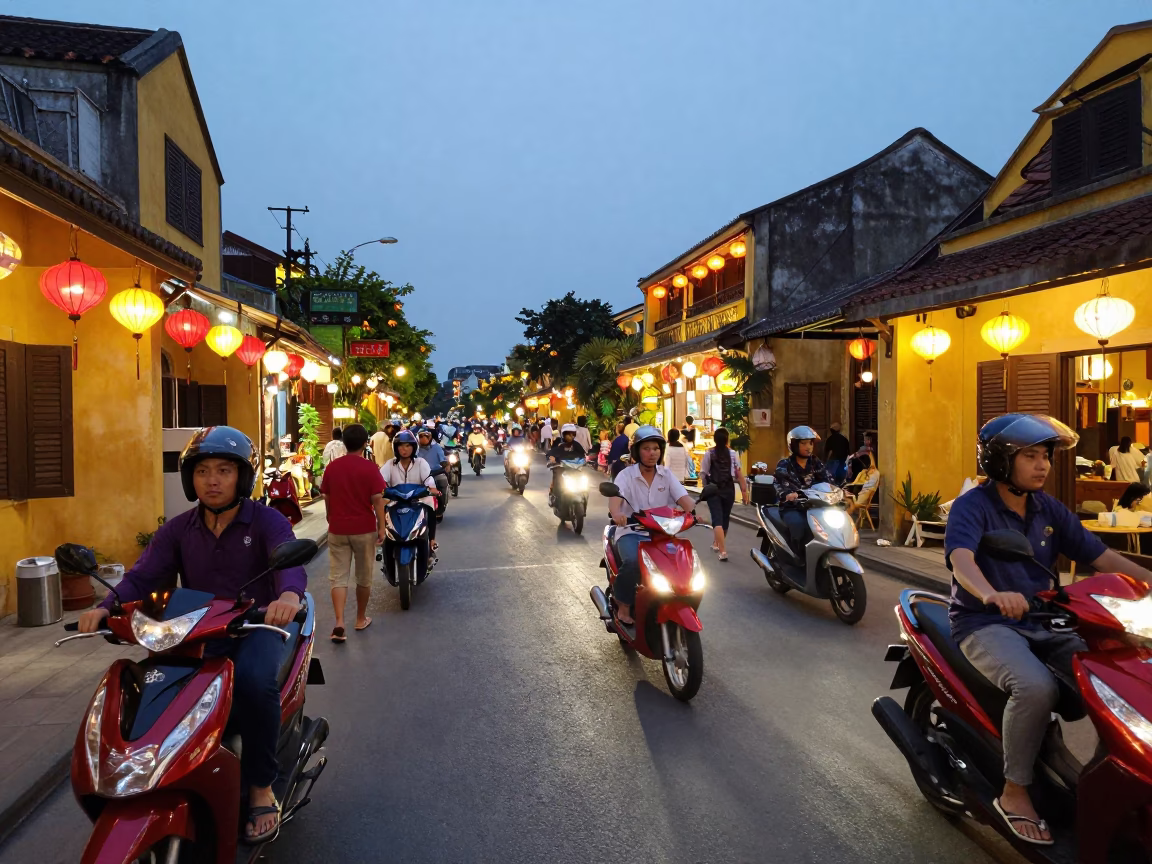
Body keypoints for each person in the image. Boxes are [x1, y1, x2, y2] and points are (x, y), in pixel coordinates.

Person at [78, 427, 306, 843]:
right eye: (202, 471)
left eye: (223, 470)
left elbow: (288, 563)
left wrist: (288, 595)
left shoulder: (267, 520)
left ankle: (259, 786)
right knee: (153, 688)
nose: (213, 480)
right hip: (193, 631)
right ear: (190, 478)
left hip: (254, 627)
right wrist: (103, 607)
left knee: (255, 684)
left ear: (242, 477)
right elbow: (145, 575)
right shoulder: (179, 529)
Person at [946, 413, 1152, 845]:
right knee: (1035, 687)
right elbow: (962, 560)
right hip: (985, 622)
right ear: (1001, 460)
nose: (1042, 465)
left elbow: (1103, 558)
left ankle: (1107, 777)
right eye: (1030, 456)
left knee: (1112, 680)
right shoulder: (973, 506)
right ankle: (1015, 791)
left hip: (1045, 620)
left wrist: (1149, 585)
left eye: (1045, 456)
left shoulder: (1048, 508)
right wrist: (990, 593)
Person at [608, 426, 696, 627]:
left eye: (656, 448)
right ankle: (623, 604)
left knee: (682, 562)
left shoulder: (666, 474)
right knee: (632, 561)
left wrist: (696, 511)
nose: (652, 453)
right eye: (646, 448)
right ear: (637, 451)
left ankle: (675, 600)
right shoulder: (626, 475)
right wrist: (617, 514)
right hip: (631, 532)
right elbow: (615, 498)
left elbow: (683, 498)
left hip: (662, 534)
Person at [320, 424, 386, 642]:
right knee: (363, 577)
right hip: (363, 529)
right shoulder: (370, 468)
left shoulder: (333, 467)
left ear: (343, 443)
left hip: (338, 529)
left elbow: (326, 496)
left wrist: (330, 516)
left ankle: (339, 622)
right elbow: (378, 500)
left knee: (338, 577)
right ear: (365, 443)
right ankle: (359, 618)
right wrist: (382, 527)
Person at [774, 426, 830, 555]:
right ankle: (796, 556)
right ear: (794, 445)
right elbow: (781, 483)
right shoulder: (784, 465)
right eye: (803, 443)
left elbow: (827, 479)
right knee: (799, 527)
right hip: (793, 507)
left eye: (810, 443)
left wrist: (841, 490)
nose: (808, 447)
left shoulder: (816, 462)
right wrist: (788, 494)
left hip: (816, 506)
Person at [382, 429, 440, 552]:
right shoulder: (390, 464)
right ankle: (381, 537)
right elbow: (380, 480)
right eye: (401, 446)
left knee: (431, 502)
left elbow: (428, 479)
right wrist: (380, 490)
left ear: (414, 447)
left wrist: (432, 488)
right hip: (395, 501)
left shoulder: (421, 463)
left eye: (408, 445)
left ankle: (432, 540)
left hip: (417, 500)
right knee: (380, 506)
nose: (404, 449)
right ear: (396, 448)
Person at [700, 427, 749, 561]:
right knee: (725, 517)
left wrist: (705, 487)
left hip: (713, 489)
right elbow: (739, 474)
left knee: (717, 519)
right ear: (727, 439)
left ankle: (722, 550)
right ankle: (718, 544)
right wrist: (744, 492)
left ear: (715, 439)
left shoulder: (709, 453)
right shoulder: (733, 454)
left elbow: (703, 473)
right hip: (729, 488)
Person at [547, 423, 587, 503]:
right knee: (557, 476)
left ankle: (584, 499)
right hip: (561, 468)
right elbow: (551, 453)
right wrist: (552, 458)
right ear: (564, 435)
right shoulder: (559, 444)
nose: (570, 436)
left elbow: (582, 455)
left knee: (584, 485)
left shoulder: (577, 445)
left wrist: (585, 460)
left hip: (575, 469)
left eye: (572, 434)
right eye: (568, 434)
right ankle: (554, 496)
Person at [417, 426, 450, 502]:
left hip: (435, 473)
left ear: (429, 437)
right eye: (421, 436)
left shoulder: (436, 447)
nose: (423, 438)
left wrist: (446, 464)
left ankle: (442, 503)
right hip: (419, 474)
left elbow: (442, 460)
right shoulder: (415, 449)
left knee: (442, 480)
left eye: (425, 436)